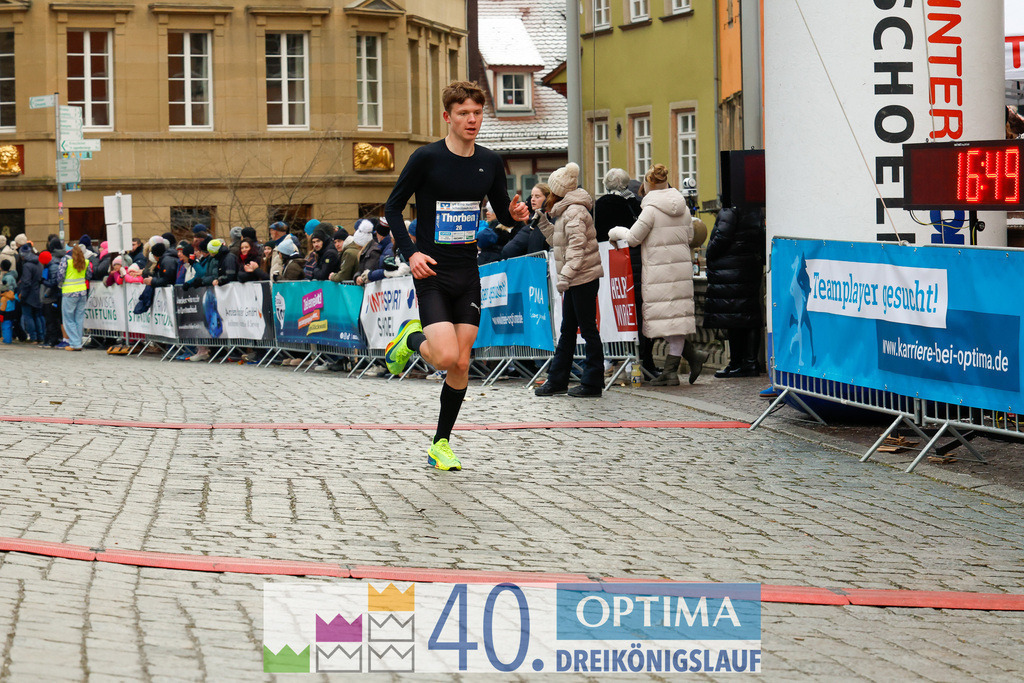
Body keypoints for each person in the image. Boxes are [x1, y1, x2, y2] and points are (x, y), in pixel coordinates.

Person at [382, 80, 530, 471]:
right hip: (430, 270)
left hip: (468, 271)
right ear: (447, 117)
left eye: (478, 113)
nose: (472, 120)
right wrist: (410, 252)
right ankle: (410, 338)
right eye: (463, 113)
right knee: (446, 356)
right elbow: (393, 209)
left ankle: (440, 443)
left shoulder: (490, 161)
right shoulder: (426, 158)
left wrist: (514, 217)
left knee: (462, 364)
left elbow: (503, 212)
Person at [607, 163, 707, 386]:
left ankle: (672, 372)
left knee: (662, 320)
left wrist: (614, 232)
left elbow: (633, 238)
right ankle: (690, 358)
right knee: (672, 321)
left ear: (647, 184)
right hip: (680, 271)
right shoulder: (682, 208)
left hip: (658, 272)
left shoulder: (650, 210)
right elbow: (690, 235)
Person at [534, 162, 605, 398]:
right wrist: (543, 224)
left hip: (582, 277)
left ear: (558, 191)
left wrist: (566, 275)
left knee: (587, 330)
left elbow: (577, 247)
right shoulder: (567, 211)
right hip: (577, 277)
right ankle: (558, 380)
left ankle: (592, 382)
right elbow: (559, 242)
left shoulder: (574, 212)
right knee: (568, 330)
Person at [703, 206, 767, 378]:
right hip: (749, 268)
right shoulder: (755, 211)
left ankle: (738, 363)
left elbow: (721, 238)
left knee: (734, 318)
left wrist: (709, 253)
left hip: (731, 270)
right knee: (750, 315)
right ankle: (751, 362)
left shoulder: (730, 210)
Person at [501, 182, 551, 259]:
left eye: (537, 197)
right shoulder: (532, 223)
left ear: (547, 199)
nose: (533, 199)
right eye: (532, 196)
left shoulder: (537, 225)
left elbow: (508, 251)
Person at [58, 244, 93, 351]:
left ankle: (75, 343)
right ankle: (78, 342)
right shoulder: (86, 261)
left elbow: (60, 275)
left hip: (69, 292)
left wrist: (60, 285)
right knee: (79, 318)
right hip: (82, 292)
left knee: (68, 319)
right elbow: (89, 275)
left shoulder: (66, 260)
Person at [16, 242, 44, 343]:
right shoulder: (39, 263)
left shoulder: (27, 266)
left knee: (28, 316)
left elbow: (26, 282)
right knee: (37, 316)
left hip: (29, 295)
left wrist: (22, 294)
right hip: (38, 293)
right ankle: (40, 336)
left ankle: (33, 337)